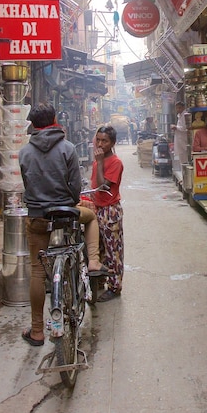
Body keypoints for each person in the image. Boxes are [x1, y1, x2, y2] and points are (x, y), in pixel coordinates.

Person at [17, 104, 103, 347]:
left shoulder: (24, 153)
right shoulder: (67, 148)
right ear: (54, 120)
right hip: (66, 214)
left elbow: (27, 183)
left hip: (38, 217)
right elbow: (75, 186)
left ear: (33, 125)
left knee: (37, 270)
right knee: (92, 217)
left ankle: (36, 331)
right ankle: (94, 259)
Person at [79, 125, 124, 302]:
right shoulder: (99, 159)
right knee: (98, 250)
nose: (100, 143)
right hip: (97, 209)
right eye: (98, 139)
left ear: (112, 143)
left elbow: (102, 186)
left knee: (114, 251)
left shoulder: (115, 162)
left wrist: (98, 164)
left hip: (110, 211)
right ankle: (98, 283)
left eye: (104, 141)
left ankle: (115, 286)